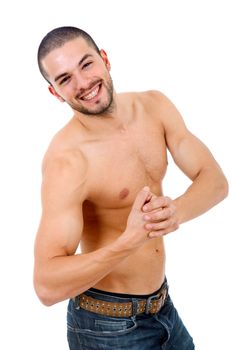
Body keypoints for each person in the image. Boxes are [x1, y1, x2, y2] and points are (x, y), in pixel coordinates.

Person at [33, 26, 228, 350]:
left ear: (104, 59)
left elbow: (216, 181)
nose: (83, 83)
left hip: (163, 307)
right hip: (105, 327)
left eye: (86, 64)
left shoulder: (154, 106)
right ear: (55, 92)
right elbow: (46, 286)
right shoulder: (67, 162)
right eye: (65, 79)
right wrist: (128, 241)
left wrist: (177, 210)